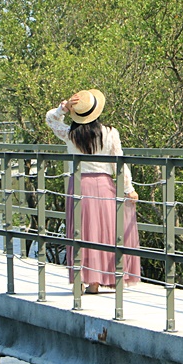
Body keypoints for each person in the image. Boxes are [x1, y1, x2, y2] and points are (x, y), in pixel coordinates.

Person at [46, 89, 141, 294]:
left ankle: (83, 277)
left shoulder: (71, 134)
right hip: (104, 184)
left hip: (79, 184)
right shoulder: (109, 132)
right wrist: (128, 189)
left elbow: (51, 120)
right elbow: (119, 163)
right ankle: (99, 279)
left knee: (81, 231)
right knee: (103, 232)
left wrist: (62, 108)